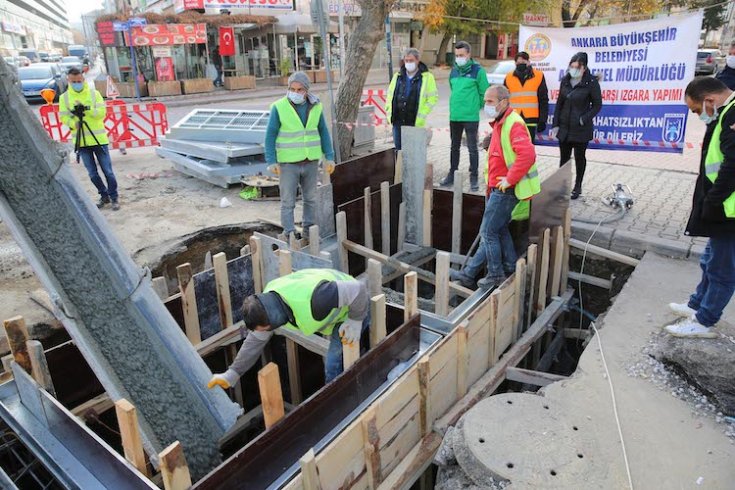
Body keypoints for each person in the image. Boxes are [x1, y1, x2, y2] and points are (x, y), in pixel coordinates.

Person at [207, 268, 369, 386]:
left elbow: (359, 290)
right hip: (333, 302)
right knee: (337, 360)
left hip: (354, 305)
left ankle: (338, 403)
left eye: (263, 329)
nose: (262, 333)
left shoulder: (316, 299)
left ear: (271, 323)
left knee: (333, 365)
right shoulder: (268, 305)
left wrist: (355, 320)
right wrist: (233, 373)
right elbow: (254, 342)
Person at [665, 77, 735, 338]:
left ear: (710, 100)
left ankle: (704, 322)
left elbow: (731, 166)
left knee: (722, 269)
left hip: (729, 210)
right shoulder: (726, 112)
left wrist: (714, 200)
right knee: (709, 260)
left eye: (696, 110)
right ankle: (696, 305)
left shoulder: (732, 115)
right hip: (723, 206)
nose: (698, 116)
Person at [451, 85, 540, 290]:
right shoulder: (501, 123)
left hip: (507, 189)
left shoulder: (513, 123)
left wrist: (509, 179)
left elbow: (527, 155)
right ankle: (500, 267)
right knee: (498, 229)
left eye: (490, 102)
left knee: (488, 232)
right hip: (499, 188)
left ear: (504, 102)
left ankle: (495, 274)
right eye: (486, 101)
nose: (486, 105)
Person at [265, 71, 335, 240]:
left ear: (306, 90)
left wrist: (329, 156)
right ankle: (289, 232)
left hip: (310, 161)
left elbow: (323, 132)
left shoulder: (316, 106)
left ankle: (308, 231)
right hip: (288, 164)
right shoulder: (279, 107)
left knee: (310, 199)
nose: (295, 93)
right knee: (288, 201)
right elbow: (270, 135)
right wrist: (271, 160)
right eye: (292, 89)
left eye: (299, 89)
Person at [59, 67, 119, 210]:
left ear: (83, 79)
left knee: (108, 172)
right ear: (69, 80)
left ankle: (114, 197)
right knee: (92, 174)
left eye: (79, 81)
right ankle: (104, 195)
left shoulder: (94, 94)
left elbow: (101, 113)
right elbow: (63, 117)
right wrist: (74, 123)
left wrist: (87, 109)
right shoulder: (64, 98)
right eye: (73, 81)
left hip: (99, 140)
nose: (76, 83)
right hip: (82, 142)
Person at [550, 52, 602, 200]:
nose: (573, 70)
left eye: (576, 67)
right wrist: (555, 124)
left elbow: (597, 105)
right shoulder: (566, 80)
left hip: (581, 129)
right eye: (571, 66)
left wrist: (583, 119)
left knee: (580, 158)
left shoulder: (591, 83)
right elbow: (560, 103)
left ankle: (577, 186)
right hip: (564, 128)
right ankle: (562, 186)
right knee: (564, 159)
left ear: (584, 68)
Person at [440, 41, 489, 192]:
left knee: (473, 148)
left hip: (471, 117)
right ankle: (452, 175)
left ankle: (473, 177)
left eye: (461, 55)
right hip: (455, 116)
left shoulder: (478, 71)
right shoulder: (454, 71)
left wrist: (475, 106)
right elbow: (452, 87)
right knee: (454, 147)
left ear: (468, 54)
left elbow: (484, 92)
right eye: (457, 55)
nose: (459, 58)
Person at [385, 48, 438, 151]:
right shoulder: (398, 76)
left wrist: (422, 113)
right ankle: (400, 167)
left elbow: (432, 98)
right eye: (406, 60)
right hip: (398, 120)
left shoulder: (427, 77)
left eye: (411, 60)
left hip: (414, 121)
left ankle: (410, 167)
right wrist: (389, 114)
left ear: (417, 60)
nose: (408, 63)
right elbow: (390, 96)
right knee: (398, 150)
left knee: (413, 151)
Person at [504, 51, 549, 142]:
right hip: (513, 118)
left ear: (528, 62)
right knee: (513, 145)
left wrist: (542, 120)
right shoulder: (509, 77)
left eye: (523, 62)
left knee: (528, 147)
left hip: (531, 118)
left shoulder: (538, 76)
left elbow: (543, 99)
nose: (521, 64)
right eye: (519, 62)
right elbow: (504, 99)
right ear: (515, 63)